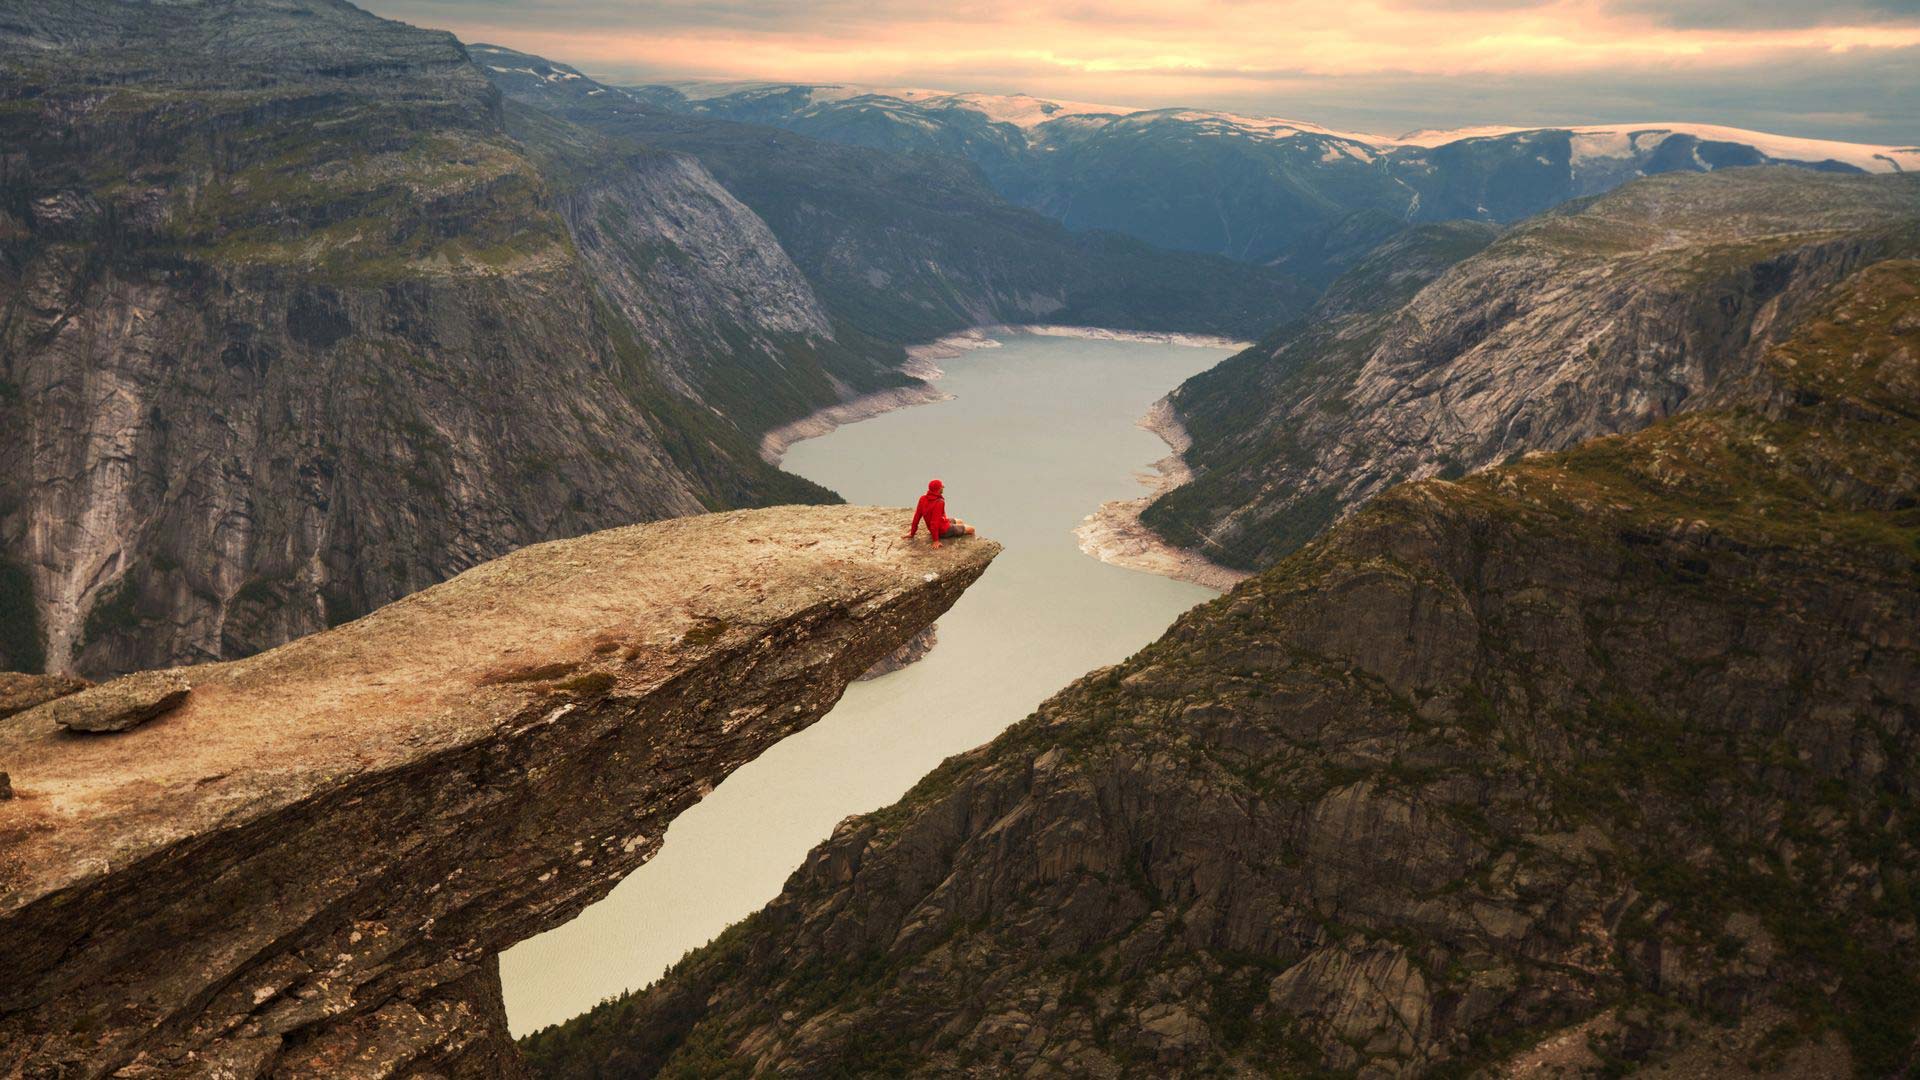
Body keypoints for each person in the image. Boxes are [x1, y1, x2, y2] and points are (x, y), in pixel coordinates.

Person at [905, 478, 975, 549]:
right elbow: (934, 522)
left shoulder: (922, 498)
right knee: (972, 529)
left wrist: (912, 533)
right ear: (938, 489)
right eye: (941, 486)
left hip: (942, 523)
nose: (943, 487)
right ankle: (960, 533)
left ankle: (959, 528)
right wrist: (935, 540)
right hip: (943, 530)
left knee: (960, 521)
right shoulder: (939, 502)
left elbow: (917, 516)